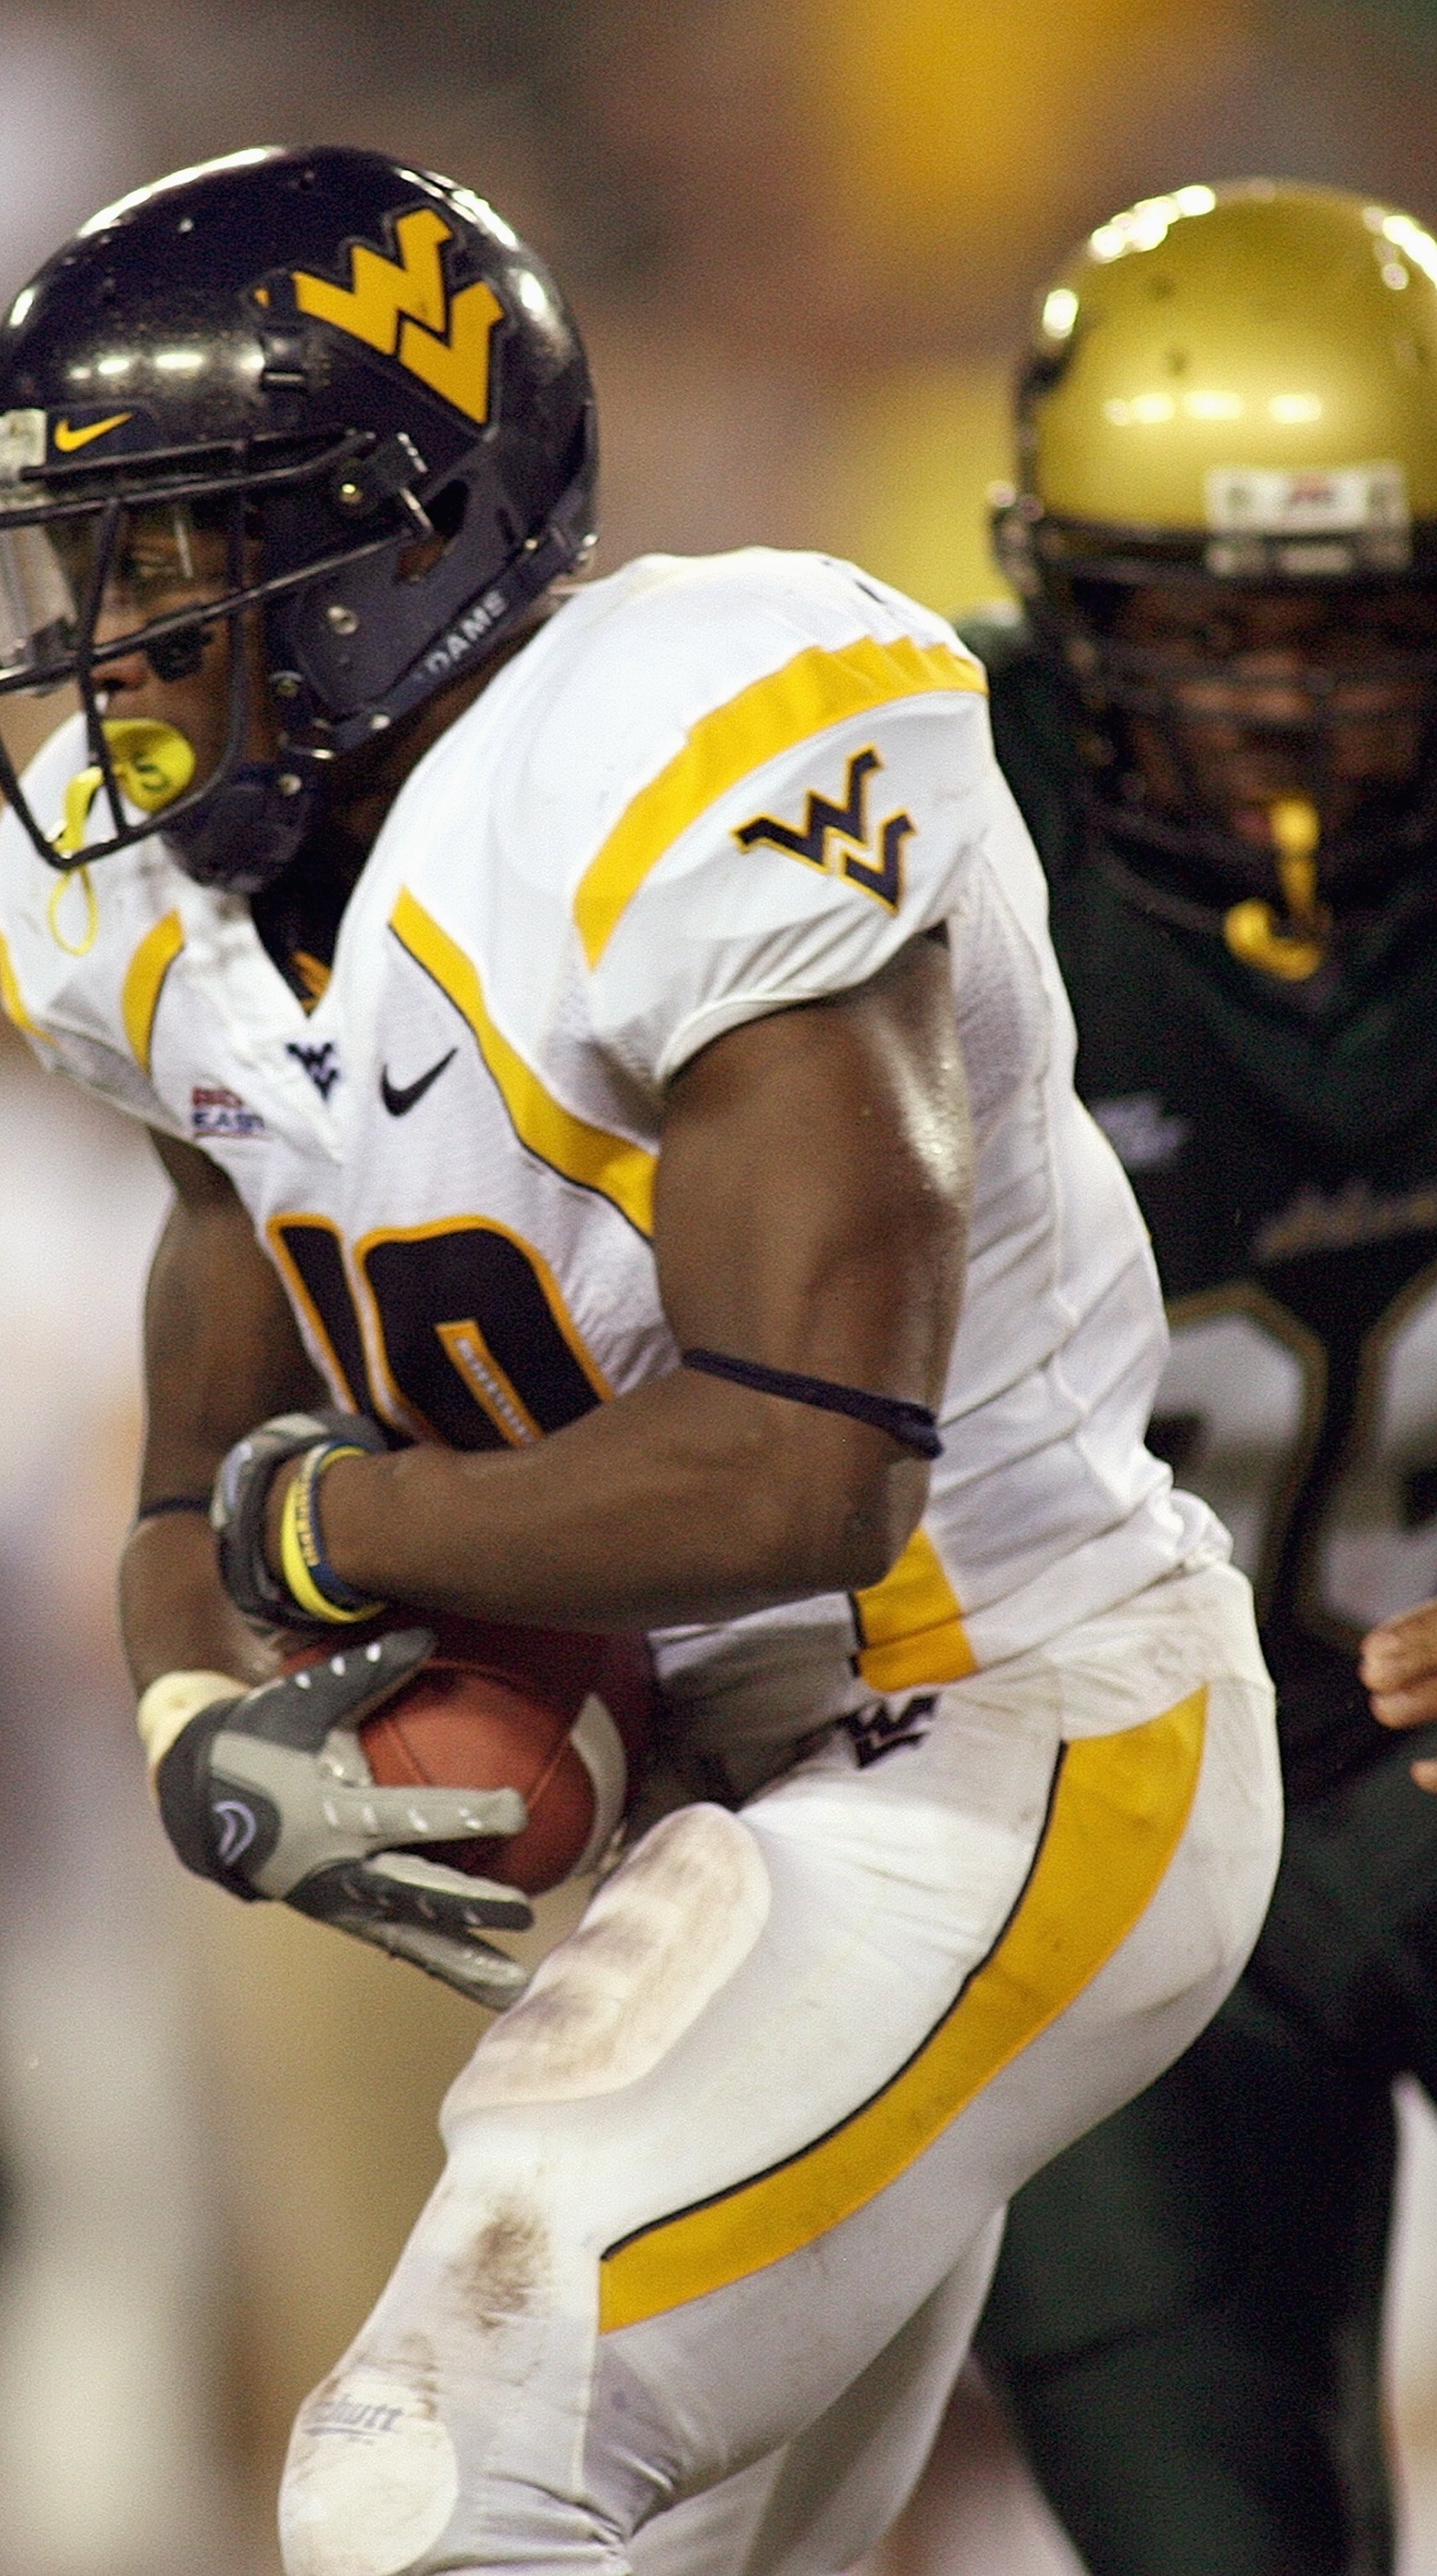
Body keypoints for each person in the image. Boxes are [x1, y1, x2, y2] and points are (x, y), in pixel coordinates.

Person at [0, 146, 1279, 2576]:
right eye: (78, 571)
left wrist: (321, 1535)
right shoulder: (146, 914)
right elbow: (188, 1479)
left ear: (401, 533)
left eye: (169, 557)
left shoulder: (696, 734)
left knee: (441, 2464)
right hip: (720, 1784)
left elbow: (802, 1470)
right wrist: (201, 1726)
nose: (106, 646)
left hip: (1012, 1716)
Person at [949, 180, 1437, 2576]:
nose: (1271, 704)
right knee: (1211, 2531)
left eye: (1347, 635)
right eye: (1193, 630)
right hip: (1096, 1827)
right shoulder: (914, 842)